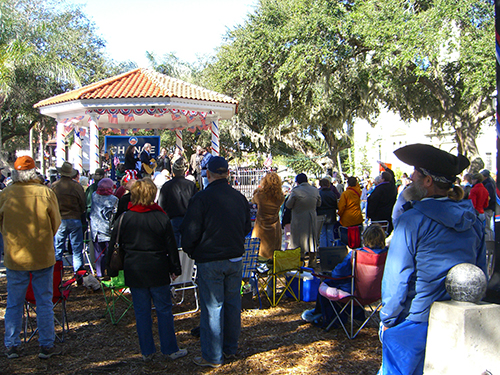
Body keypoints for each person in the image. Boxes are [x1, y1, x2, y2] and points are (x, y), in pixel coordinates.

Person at [379, 143, 487, 375]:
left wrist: (387, 319)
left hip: (416, 320)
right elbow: (480, 274)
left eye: (415, 173)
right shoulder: (473, 221)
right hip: (461, 319)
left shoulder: (411, 221)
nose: (411, 178)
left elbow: (396, 280)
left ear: (427, 181)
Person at [180, 156, 251, 368]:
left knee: (213, 308)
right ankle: (229, 348)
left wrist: (193, 251)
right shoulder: (239, 198)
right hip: (234, 258)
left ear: (208, 174)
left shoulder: (202, 198)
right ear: (227, 173)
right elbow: (246, 228)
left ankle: (213, 356)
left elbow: (190, 231)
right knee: (232, 304)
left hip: (211, 260)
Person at [108, 178, 186, 361]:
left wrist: (110, 269)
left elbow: (114, 245)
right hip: (157, 268)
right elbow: (171, 246)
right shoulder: (160, 217)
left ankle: (147, 351)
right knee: (164, 310)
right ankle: (169, 348)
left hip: (135, 269)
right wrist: (175, 267)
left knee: (142, 312)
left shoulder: (125, 217)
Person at [0, 156, 62, 359]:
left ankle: (12, 344)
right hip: (41, 254)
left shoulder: (6, 194)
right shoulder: (45, 193)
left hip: (15, 256)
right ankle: (46, 344)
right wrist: (44, 239)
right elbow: (56, 222)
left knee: (14, 302)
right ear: (34, 171)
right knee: (43, 301)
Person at [301, 224, 387, 324]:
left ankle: (325, 317)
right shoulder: (386, 254)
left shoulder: (357, 254)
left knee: (328, 282)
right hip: (377, 293)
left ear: (366, 238)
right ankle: (356, 315)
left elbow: (337, 273)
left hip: (355, 293)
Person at [52, 161, 86, 274]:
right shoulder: (77, 186)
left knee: (58, 249)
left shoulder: (55, 186)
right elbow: (83, 203)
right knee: (77, 250)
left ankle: (57, 275)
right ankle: (79, 275)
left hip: (60, 219)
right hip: (75, 218)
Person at [158, 158, 197, 246]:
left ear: (173, 172)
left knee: (174, 247)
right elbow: (196, 205)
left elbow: (161, 205)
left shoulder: (166, 186)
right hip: (188, 220)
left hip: (173, 219)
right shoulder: (191, 185)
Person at [285, 173, 322, 266]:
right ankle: (312, 261)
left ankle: (299, 262)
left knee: (298, 241)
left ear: (297, 182)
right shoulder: (315, 190)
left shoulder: (296, 191)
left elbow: (288, 205)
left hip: (299, 219)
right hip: (311, 218)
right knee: (312, 240)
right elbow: (319, 204)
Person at [251, 172, 285, 260]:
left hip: (261, 227)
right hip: (275, 228)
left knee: (259, 254)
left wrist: (257, 190)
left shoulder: (259, 196)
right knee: (273, 254)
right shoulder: (280, 197)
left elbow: (253, 200)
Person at [90, 178, 118, 277]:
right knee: (109, 253)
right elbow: (115, 215)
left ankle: (100, 274)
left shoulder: (94, 196)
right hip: (107, 230)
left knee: (98, 253)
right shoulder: (114, 199)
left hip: (96, 229)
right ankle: (111, 273)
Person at [366, 170, 398, 235]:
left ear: (383, 179)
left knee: (377, 234)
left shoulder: (379, 189)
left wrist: (369, 214)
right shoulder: (393, 187)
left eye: (380, 177)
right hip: (389, 214)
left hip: (378, 216)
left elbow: (373, 202)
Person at [317, 178, 338, 248]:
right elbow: (336, 205)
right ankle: (330, 249)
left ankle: (323, 250)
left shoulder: (318, 193)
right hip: (331, 215)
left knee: (322, 234)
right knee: (330, 233)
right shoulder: (332, 194)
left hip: (320, 215)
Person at [480, 169, 495, 241]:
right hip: (488, 207)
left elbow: (488, 197)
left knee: (487, 227)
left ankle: (489, 244)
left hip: (487, 208)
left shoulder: (488, 184)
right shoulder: (490, 183)